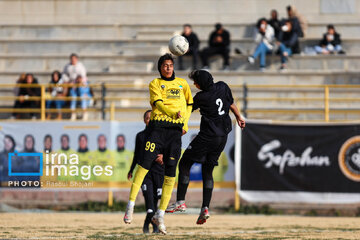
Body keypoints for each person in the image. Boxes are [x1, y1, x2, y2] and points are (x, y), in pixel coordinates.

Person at [123, 53, 193, 235]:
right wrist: (173, 113)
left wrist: (184, 123)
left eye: (170, 65)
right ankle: (130, 205)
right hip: (158, 129)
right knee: (143, 166)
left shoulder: (183, 84)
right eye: (165, 65)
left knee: (171, 173)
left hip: (175, 132)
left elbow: (190, 105)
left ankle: (160, 215)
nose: (168, 68)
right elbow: (159, 104)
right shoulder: (155, 83)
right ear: (160, 68)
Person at [166, 70, 245, 225]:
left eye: (195, 82)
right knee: (207, 170)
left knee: (184, 163)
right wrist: (239, 117)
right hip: (223, 136)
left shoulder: (201, 97)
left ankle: (180, 201)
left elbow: (187, 109)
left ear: (201, 83)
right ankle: (205, 208)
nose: (194, 85)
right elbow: (230, 104)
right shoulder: (222, 86)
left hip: (207, 136)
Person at [127, 110, 165, 233]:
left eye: (151, 117)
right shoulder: (141, 136)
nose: (149, 120)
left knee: (156, 201)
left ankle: (151, 225)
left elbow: (168, 150)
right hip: (145, 173)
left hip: (159, 172)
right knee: (149, 204)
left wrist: (163, 156)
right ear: (144, 120)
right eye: (147, 118)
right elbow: (136, 154)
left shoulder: (161, 135)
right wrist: (131, 169)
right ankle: (147, 227)